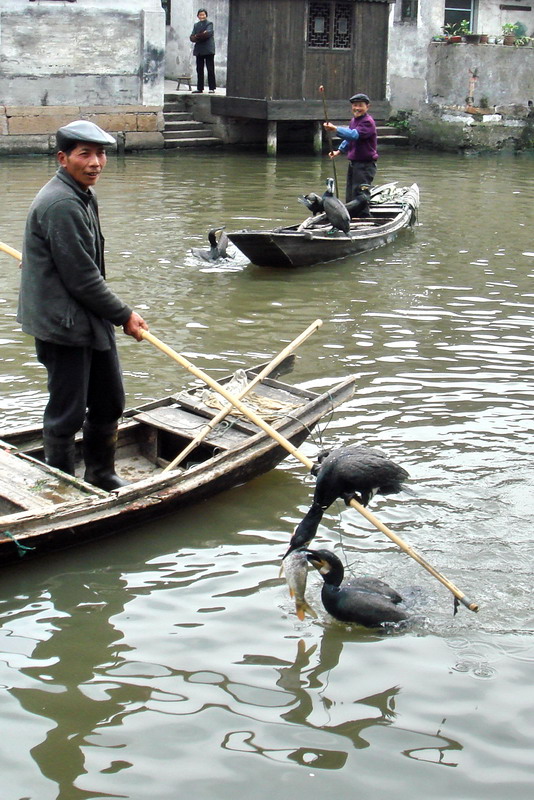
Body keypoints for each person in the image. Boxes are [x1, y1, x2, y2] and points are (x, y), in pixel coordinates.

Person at [18, 120, 148, 491]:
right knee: (66, 413)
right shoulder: (61, 202)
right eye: (85, 154)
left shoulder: (80, 194)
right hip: (64, 324)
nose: (96, 162)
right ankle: (62, 485)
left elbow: (73, 261)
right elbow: (83, 279)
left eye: (101, 153)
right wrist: (125, 315)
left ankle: (101, 474)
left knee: (109, 402)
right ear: (63, 158)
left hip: (88, 318)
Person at [323, 92, 378, 214]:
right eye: (355, 105)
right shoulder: (354, 121)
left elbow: (354, 135)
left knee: (361, 195)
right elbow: (349, 138)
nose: (357, 108)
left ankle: (364, 218)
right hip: (355, 163)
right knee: (351, 193)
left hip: (365, 165)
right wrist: (339, 151)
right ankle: (350, 216)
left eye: (360, 105)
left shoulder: (368, 122)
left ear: (367, 107)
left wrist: (335, 129)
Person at [190, 8, 216, 94]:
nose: (202, 16)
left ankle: (212, 88)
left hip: (208, 50)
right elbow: (191, 37)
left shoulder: (209, 24)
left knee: (210, 69)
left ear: (206, 15)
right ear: (198, 16)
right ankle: (200, 88)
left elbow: (208, 34)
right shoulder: (196, 25)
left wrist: (197, 36)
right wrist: (201, 34)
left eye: (203, 14)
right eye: (200, 15)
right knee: (199, 69)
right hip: (199, 50)